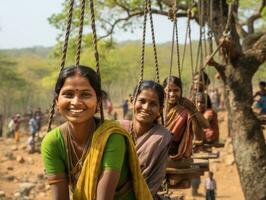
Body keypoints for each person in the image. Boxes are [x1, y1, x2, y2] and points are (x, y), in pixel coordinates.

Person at [41, 65, 152, 200]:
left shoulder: (112, 136)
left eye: (85, 94)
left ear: (98, 102)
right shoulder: (52, 142)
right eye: (68, 94)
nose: (76, 102)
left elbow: (104, 197)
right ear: (57, 101)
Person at [119, 80, 172, 198]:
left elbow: (154, 179)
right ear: (132, 101)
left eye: (153, 104)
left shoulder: (161, 137)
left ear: (160, 108)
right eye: (142, 101)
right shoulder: (118, 129)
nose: (146, 107)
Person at [163, 76, 207, 160]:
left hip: (176, 155)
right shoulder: (158, 109)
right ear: (164, 92)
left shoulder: (185, 111)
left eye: (176, 90)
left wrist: (193, 110)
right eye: (169, 90)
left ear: (181, 91)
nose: (172, 94)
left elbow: (199, 136)